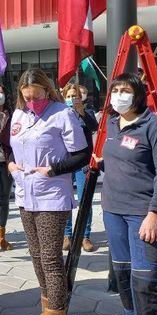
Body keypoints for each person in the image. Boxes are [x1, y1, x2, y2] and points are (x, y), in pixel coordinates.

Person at [9, 68, 90, 315]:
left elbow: (82, 154)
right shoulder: (19, 115)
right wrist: (9, 164)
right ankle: (48, 311)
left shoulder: (61, 114)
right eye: (27, 97)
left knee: (51, 260)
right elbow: (12, 147)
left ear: (47, 90)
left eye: (37, 96)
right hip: (24, 195)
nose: (32, 102)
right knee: (35, 256)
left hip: (51, 196)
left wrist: (53, 169)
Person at [97, 73, 157, 315]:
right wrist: (102, 163)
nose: (120, 95)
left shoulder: (154, 126)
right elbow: (123, 162)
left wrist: (155, 212)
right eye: (115, 89)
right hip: (113, 211)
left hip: (143, 214)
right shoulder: (112, 124)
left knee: (145, 282)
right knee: (123, 277)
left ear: (138, 94)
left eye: (126, 90)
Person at [60, 83, 99, 253]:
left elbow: (94, 127)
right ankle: (67, 234)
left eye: (74, 96)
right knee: (66, 200)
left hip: (83, 162)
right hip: (67, 162)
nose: (71, 99)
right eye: (68, 96)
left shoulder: (87, 111)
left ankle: (85, 235)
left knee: (85, 200)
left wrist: (82, 113)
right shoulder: (60, 113)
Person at [0, 84, 14, 251]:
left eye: (0, 91)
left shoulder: (12, 114)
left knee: (3, 198)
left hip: (5, 162)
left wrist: (3, 134)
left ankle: (0, 235)